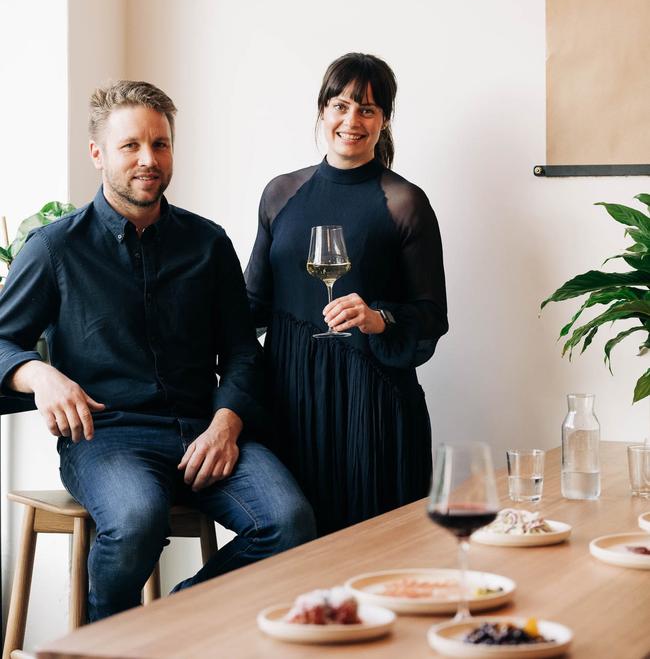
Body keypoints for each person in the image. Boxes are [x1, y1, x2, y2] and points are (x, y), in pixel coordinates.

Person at [0, 81, 315, 622]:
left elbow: (242, 352)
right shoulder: (54, 248)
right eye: (131, 146)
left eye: (161, 144)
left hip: (205, 432)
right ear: (97, 153)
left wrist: (226, 424)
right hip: (107, 439)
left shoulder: (208, 243)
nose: (149, 159)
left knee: (291, 522)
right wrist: (39, 375)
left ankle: (171, 623)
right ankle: (104, 644)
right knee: (138, 518)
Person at [245, 53, 448, 535]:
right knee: (290, 550)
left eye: (368, 110)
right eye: (340, 105)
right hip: (289, 401)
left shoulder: (405, 203)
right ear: (322, 111)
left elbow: (431, 314)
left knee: (377, 553)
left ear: (385, 121)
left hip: (372, 407)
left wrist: (378, 318)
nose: (352, 121)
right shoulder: (280, 193)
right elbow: (251, 303)